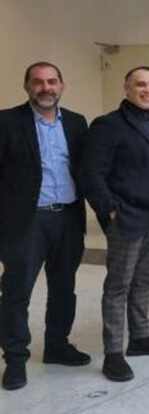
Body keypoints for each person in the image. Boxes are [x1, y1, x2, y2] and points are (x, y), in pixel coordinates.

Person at [82, 66, 149, 382]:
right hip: (126, 218)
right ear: (126, 88)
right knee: (118, 285)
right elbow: (91, 174)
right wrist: (110, 210)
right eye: (141, 84)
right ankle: (113, 353)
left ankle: (140, 337)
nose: (148, 90)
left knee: (144, 280)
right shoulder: (108, 125)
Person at [0, 62, 90, 391]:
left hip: (68, 217)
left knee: (64, 287)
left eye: (52, 81)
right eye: (38, 82)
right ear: (27, 86)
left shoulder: (77, 123)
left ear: (62, 85)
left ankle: (56, 346)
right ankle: (15, 359)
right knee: (17, 291)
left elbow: (86, 169)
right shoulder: (6, 121)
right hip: (27, 221)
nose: (45, 88)